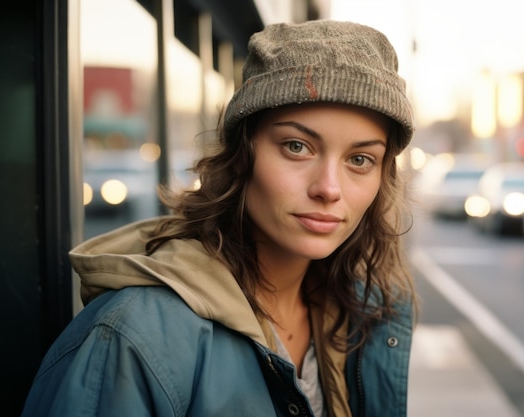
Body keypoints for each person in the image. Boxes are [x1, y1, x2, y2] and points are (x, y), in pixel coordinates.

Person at [21, 19, 416, 417]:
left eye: (360, 159)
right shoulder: (135, 338)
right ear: (242, 155)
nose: (329, 188)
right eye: (297, 146)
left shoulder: (361, 314)